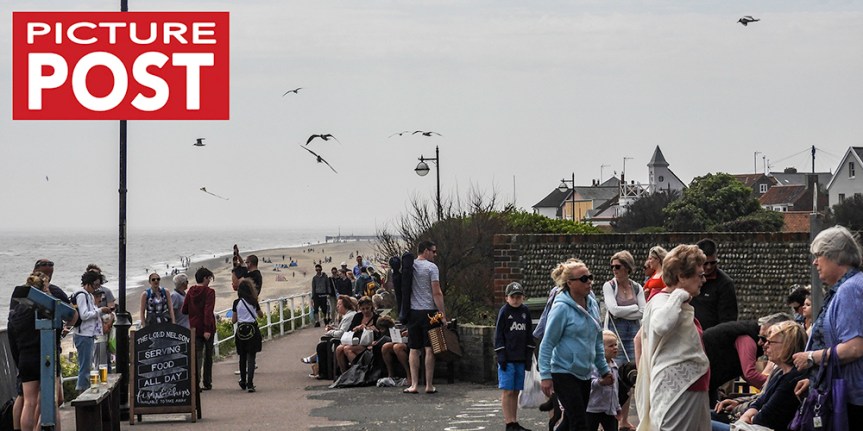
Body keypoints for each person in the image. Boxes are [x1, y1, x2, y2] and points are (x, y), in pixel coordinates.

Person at [791, 225, 863, 426]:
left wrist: (812, 358)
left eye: (819, 255)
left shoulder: (850, 289)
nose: (815, 262)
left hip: (853, 401)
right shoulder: (846, 288)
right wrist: (816, 380)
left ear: (836, 255)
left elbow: (854, 347)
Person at [635, 244, 710, 431]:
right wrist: (678, 295)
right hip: (676, 389)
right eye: (699, 275)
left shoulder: (677, 303)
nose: (703, 280)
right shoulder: (662, 301)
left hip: (693, 385)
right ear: (680, 276)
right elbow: (661, 325)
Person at [539, 259, 612, 431]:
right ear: (570, 283)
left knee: (570, 422)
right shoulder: (561, 308)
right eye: (584, 279)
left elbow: (597, 340)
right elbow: (547, 343)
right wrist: (545, 376)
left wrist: (603, 369)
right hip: (563, 371)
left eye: (590, 277)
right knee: (580, 422)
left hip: (584, 372)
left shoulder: (592, 304)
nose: (589, 282)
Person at [712, 320, 807, 431]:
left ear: (787, 345)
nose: (765, 345)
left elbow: (764, 418)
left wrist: (747, 417)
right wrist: (746, 416)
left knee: (700, 423)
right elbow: (759, 402)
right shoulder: (780, 373)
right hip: (750, 424)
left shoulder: (792, 378)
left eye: (770, 342)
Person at [601, 250, 644, 431]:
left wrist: (631, 309)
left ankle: (623, 420)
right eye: (612, 266)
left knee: (629, 379)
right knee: (613, 378)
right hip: (615, 335)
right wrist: (634, 308)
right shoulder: (609, 286)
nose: (614, 270)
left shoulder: (637, 287)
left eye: (617, 266)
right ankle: (607, 419)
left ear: (627, 267)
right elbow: (613, 310)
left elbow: (645, 310)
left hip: (633, 334)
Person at [8, 272, 56, 431]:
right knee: (48, 402)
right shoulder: (43, 308)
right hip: (43, 356)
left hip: (25, 358)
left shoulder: (18, 311)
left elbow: (12, 337)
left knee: (28, 402)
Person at [404, 240, 447, 395]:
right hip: (430, 312)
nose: (435, 254)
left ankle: (414, 384)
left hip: (414, 312)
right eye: (433, 251)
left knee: (414, 348)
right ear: (426, 251)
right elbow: (437, 292)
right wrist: (442, 314)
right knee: (430, 348)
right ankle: (429, 384)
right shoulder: (431, 268)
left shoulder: (411, 267)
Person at [495, 282, 534, 431]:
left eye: (518, 296)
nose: (516, 300)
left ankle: (515, 421)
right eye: (513, 297)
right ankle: (508, 422)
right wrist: (501, 355)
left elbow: (529, 335)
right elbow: (498, 335)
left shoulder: (525, 312)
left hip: (521, 357)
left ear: (523, 297)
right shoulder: (504, 312)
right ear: (507, 298)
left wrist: (528, 356)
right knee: (508, 390)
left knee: (516, 391)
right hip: (508, 357)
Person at [72, 270, 112, 393]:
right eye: (95, 285)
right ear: (88, 283)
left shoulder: (88, 295)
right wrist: (100, 311)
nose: (96, 288)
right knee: (85, 367)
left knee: (87, 365)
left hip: (88, 334)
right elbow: (84, 315)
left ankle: (86, 391)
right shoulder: (82, 295)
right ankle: (83, 393)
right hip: (83, 334)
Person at [692, 239, 738, 331]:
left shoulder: (725, 284)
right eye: (705, 263)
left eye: (713, 263)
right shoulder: (688, 278)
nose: (709, 267)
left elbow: (728, 320)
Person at [183, 267, 217, 391]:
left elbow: (184, 309)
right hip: (207, 327)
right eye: (209, 278)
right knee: (208, 355)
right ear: (205, 278)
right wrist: (207, 329)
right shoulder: (209, 292)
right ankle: (207, 382)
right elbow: (208, 311)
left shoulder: (191, 291)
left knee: (197, 356)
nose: (209, 281)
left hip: (194, 327)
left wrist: (194, 313)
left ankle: (195, 383)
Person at [334, 296, 380, 374]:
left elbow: (380, 332)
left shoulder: (377, 318)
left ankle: (358, 372)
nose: (365, 311)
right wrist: (357, 328)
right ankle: (344, 373)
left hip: (369, 343)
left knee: (347, 349)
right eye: (363, 309)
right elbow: (350, 330)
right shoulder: (358, 316)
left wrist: (369, 328)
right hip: (357, 341)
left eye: (367, 308)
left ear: (371, 307)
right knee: (339, 349)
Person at [232, 278, 264, 392]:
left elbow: (233, 320)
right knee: (251, 357)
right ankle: (250, 383)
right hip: (252, 330)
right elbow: (261, 315)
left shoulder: (236, 302)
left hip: (241, 331)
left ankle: (243, 380)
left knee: (242, 357)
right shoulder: (254, 301)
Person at [587, 330, 621, 431]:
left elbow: (615, 389)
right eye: (611, 346)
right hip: (593, 408)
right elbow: (590, 383)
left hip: (609, 409)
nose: (615, 347)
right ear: (600, 348)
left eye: (616, 345)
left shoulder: (614, 366)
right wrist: (601, 382)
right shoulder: (593, 366)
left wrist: (617, 406)